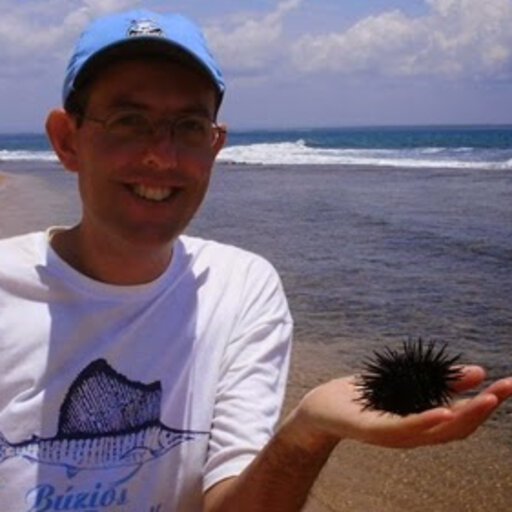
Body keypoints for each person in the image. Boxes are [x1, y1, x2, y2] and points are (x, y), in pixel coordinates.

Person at [0, 8, 510, 512]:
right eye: (130, 121)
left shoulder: (242, 288)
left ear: (216, 144)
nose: (162, 155)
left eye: (189, 126)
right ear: (67, 140)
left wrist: (308, 432)